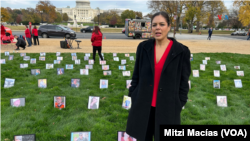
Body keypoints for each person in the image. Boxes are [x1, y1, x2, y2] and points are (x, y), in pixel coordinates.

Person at [125, 11, 191, 141]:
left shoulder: (181, 51)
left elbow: (184, 81)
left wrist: (179, 102)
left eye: (162, 24)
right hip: (143, 105)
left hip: (168, 107)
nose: (158, 28)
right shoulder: (143, 47)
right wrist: (133, 94)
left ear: (169, 26)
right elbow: (136, 75)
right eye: (154, 25)